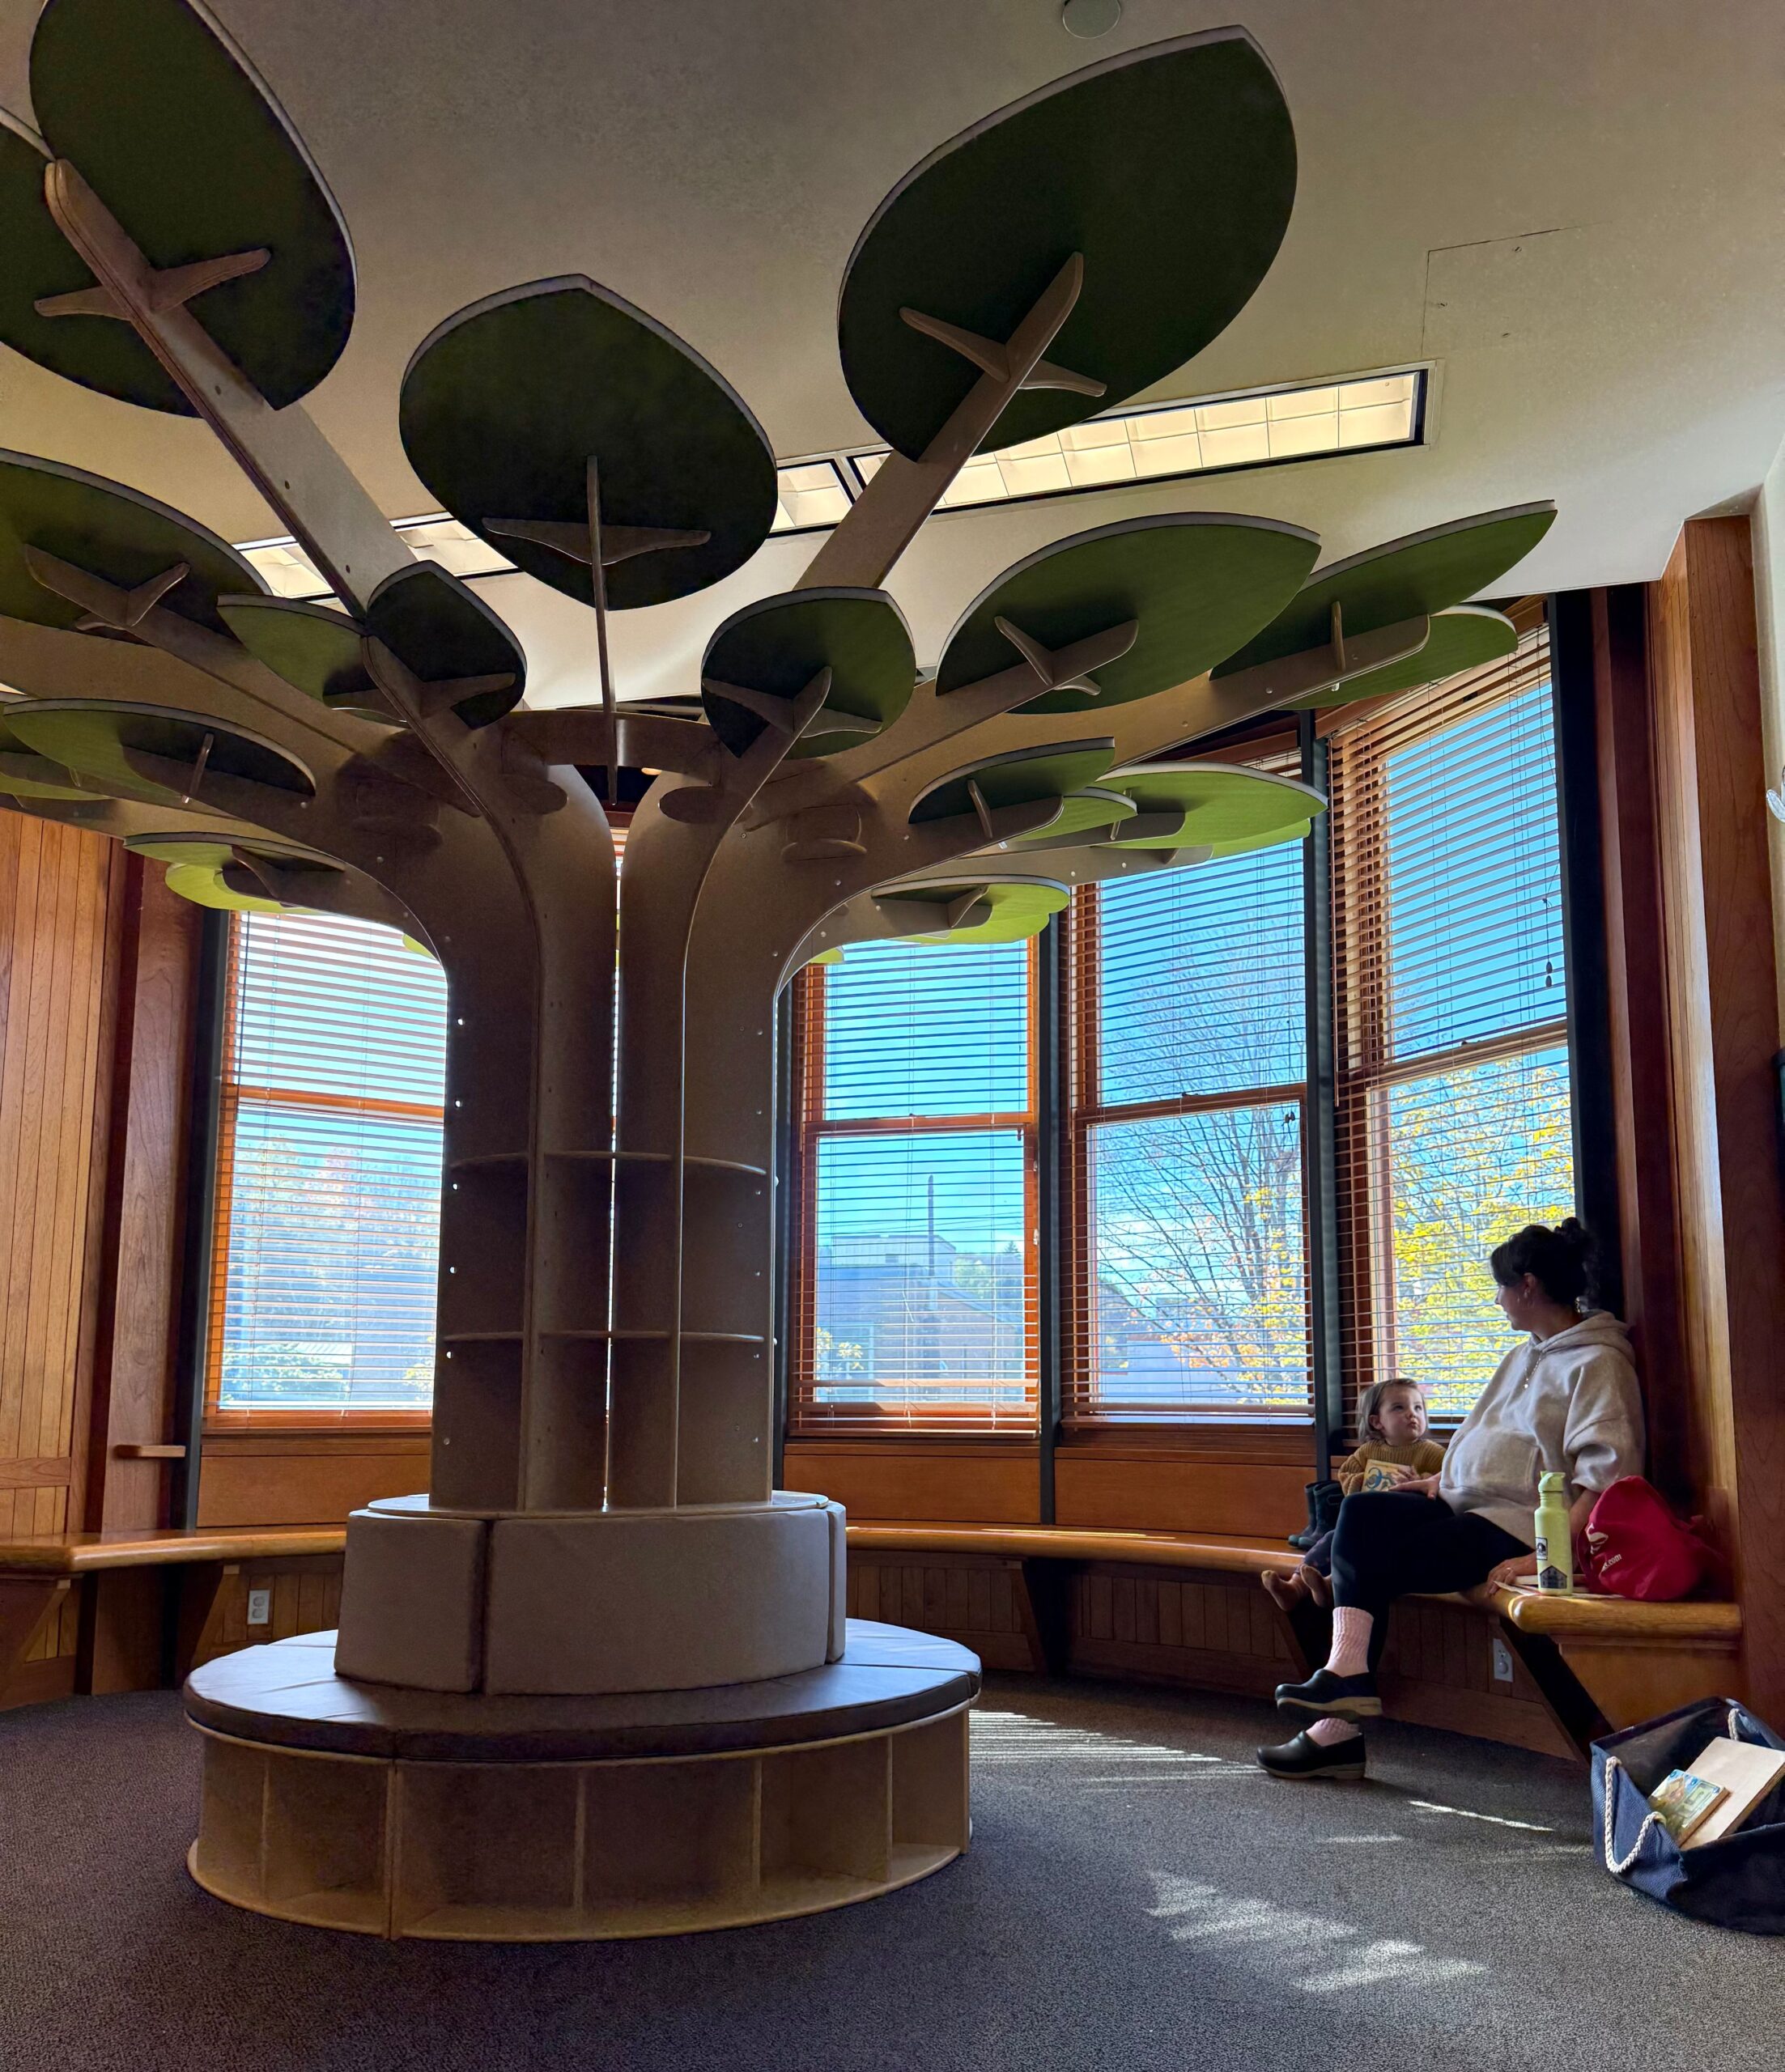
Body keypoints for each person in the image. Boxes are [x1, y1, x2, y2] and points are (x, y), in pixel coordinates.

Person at [1257, 1218, 1643, 1781]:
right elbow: (1491, 1445)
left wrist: (1541, 1558)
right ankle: (1345, 1676)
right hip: (1461, 1504)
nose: (1497, 1300)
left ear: (1527, 1287)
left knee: (1366, 1563)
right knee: (1362, 1510)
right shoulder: (1523, 1356)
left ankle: (1336, 1727)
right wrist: (1435, 1483)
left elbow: (1603, 1479)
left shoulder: (1598, 1363)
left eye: (1501, 1288)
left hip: (1514, 1525)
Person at [1260, 1378, 1444, 1611]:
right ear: (1377, 1422)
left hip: (1401, 1531)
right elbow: (1347, 1474)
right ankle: (1295, 1587)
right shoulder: (1369, 1450)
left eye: (1418, 1407)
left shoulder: (1432, 1453)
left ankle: (1329, 1585)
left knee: (1366, 1551)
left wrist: (1422, 1481)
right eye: (1399, 1407)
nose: (1412, 1414)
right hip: (1364, 1525)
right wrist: (1363, 1482)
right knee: (1332, 1538)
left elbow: (1445, 1484)